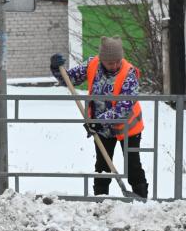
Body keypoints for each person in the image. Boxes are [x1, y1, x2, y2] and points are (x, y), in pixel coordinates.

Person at [51, 37, 148, 198]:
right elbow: (68, 79)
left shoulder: (129, 73)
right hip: (102, 129)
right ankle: (101, 200)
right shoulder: (93, 64)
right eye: (110, 63)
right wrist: (56, 68)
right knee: (102, 166)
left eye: (118, 61)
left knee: (133, 166)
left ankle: (141, 200)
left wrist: (98, 121)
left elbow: (123, 108)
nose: (115, 65)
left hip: (128, 129)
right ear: (102, 59)